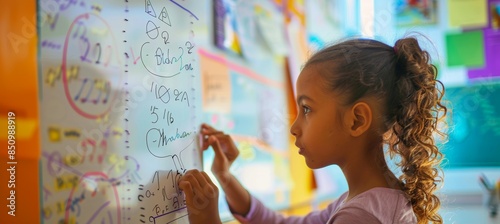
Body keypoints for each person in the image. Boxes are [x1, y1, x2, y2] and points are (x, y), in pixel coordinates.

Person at [178, 37, 447, 224]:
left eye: (306, 109)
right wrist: (225, 177)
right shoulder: (364, 200)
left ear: (356, 120)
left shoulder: (360, 216)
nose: (294, 128)